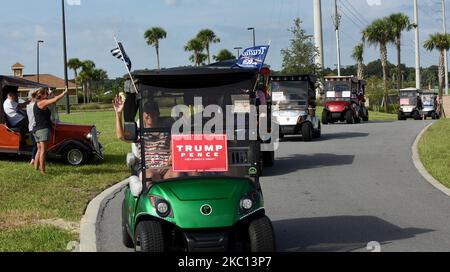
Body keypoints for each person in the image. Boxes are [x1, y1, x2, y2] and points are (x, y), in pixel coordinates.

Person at [113, 95, 181, 183]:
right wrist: (118, 114)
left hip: (166, 167)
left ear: (158, 114)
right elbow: (121, 136)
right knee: (150, 176)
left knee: (178, 172)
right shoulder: (140, 132)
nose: (150, 115)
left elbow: (176, 145)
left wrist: (173, 156)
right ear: (143, 115)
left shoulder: (166, 131)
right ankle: (153, 196)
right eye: (147, 113)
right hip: (148, 168)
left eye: (153, 112)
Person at [33, 88, 68, 173]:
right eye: (46, 93)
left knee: (39, 150)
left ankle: (36, 168)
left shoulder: (37, 102)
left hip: (36, 129)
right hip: (43, 130)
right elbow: (55, 100)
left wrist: (50, 94)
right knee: (43, 151)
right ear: (41, 95)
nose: (47, 94)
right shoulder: (42, 102)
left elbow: (51, 99)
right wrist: (64, 93)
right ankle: (43, 171)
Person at [26, 90, 38, 165]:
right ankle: (33, 159)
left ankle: (33, 159)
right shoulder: (35, 105)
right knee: (36, 145)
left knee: (35, 145)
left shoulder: (28, 105)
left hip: (30, 127)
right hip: (35, 127)